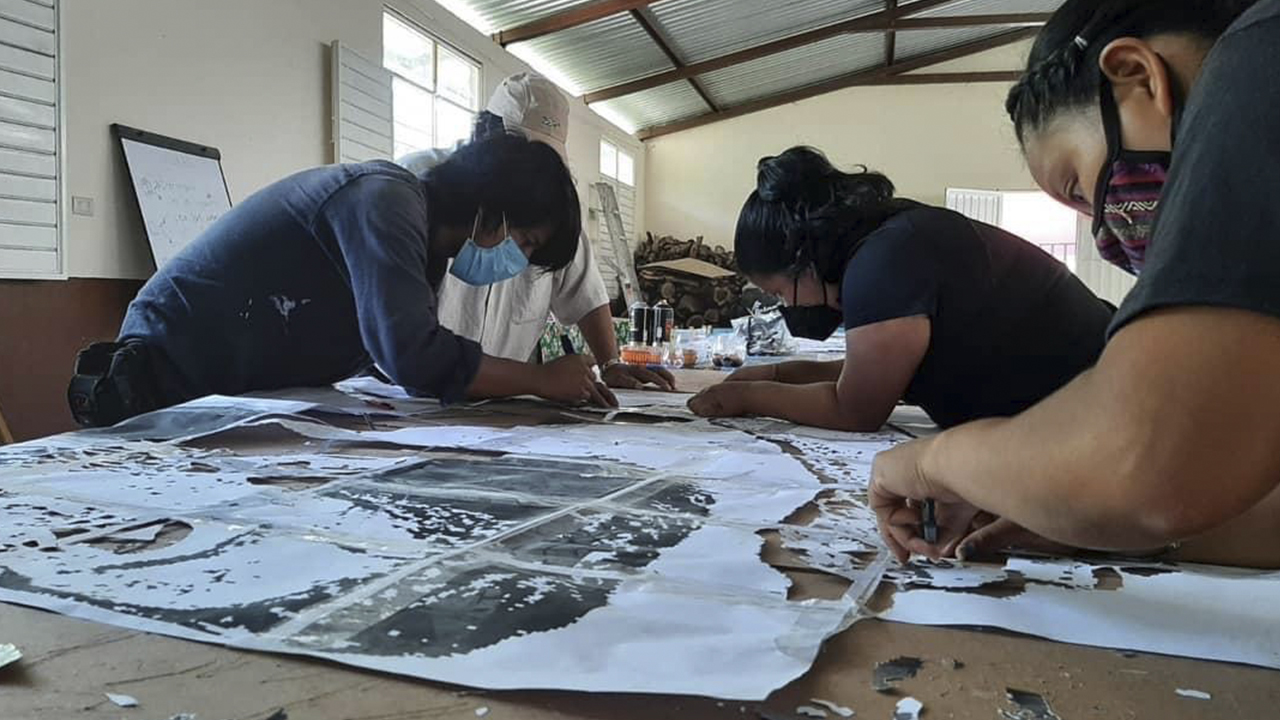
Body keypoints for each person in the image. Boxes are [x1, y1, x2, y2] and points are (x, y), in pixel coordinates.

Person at [869, 0, 1280, 569]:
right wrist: (1098, 523)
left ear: (1137, 77)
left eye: (1081, 188)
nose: (1105, 233)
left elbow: (1143, 459)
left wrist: (932, 463)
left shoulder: (1262, 57)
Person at [68, 133, 612, 427]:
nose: (517, 260)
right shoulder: (385, 201)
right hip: (172, 367)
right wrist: (539, 380)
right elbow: (413, 355)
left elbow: (402, 360)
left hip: (241, 391)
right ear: (492, 209)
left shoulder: (428, 251)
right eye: (527, 242)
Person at [687, 146, 1114, 432]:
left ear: (804, 260)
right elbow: (873, 374)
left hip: (1103, 414)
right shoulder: (892, 238)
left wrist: (748, 396)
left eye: (781, 291)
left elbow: (855, 409)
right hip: (1082, 402)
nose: (787, 305)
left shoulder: (882, 265)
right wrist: (778, 373)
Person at [398, 73, 674, 393]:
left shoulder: (548, 205)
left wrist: (610, 364)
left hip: (498, 396)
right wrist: (540, 380)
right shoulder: (420, 187)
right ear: (487, 136)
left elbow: (584, 291)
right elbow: (411, 347)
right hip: (403, 393)